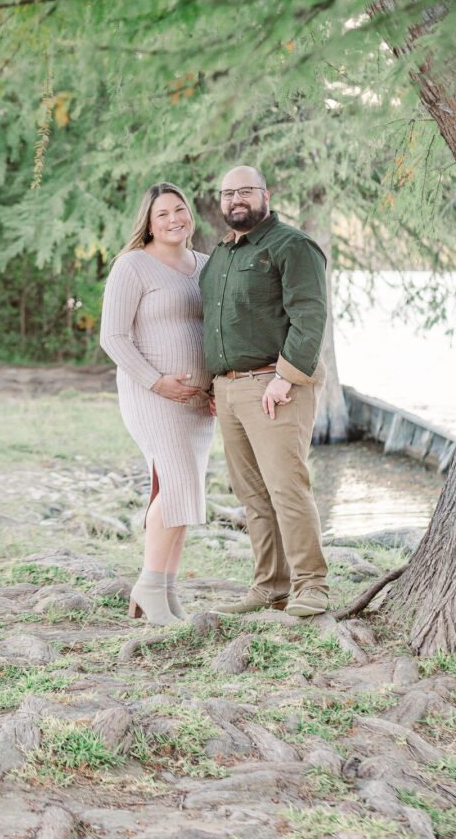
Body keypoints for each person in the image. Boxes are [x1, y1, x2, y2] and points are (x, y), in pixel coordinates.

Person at [199, 165, 329, 617]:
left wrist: (285, 377)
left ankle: (312, 586)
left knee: (286, 488)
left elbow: (310, 317)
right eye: (229, 192)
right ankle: (269, 587)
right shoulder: (220, 255)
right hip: (230, 390)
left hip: (276, 386)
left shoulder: (292, 246)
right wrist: (213, 384)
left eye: (246, 191)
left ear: (265, 194)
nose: (237, 199)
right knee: (253, 495)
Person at [100, 183, 215, 625]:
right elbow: (113, 337)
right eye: (163, 213)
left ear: (190, 217)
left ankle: (165, 590)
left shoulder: (205, 266)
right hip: (152, 396)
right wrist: (156, 382)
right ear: (149, 222)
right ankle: (149, 586)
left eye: (180, 210)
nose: (173, 219)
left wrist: (217, 385)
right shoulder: (133, 266)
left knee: (183, 494)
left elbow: (219, 329)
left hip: (197, 403)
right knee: (178, 487)